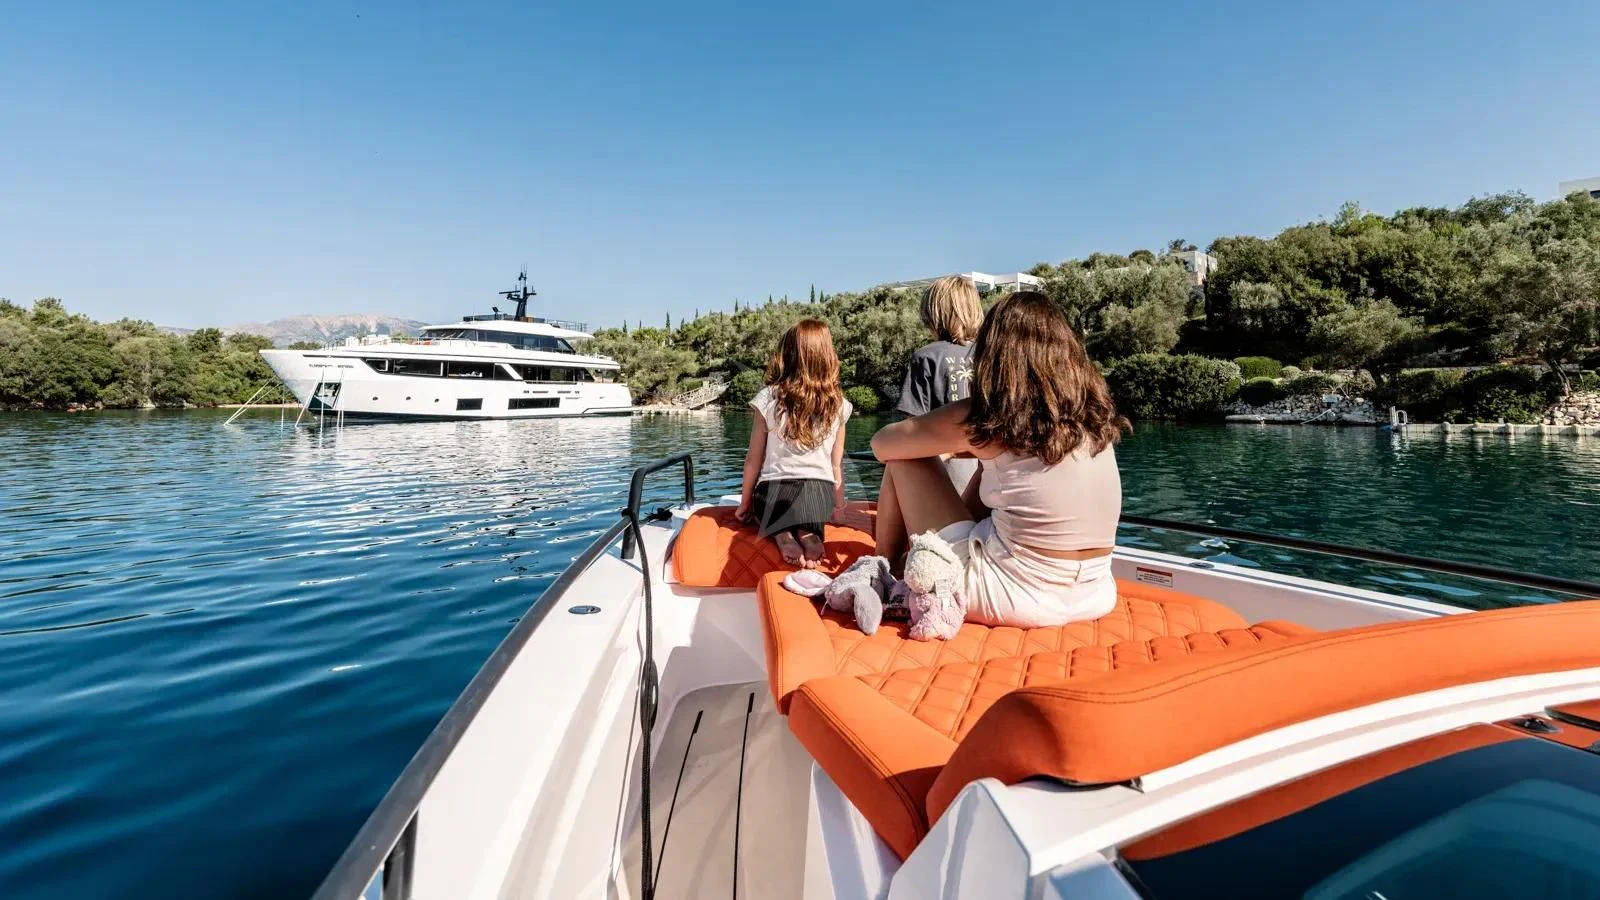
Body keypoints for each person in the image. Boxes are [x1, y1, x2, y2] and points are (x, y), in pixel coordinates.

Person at [869, 291, 1127, 628]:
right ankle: (900, 565)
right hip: (1096, 593)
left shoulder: (991, 416)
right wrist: (973, 451)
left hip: (1015, 596)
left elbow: (882, 444)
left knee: (906, 457)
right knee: (988, 468)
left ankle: (882, 572)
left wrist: (954, 443)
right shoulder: (1090, 416)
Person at [877, 274, 984, 561]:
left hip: (941, 483)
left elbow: (906, 437)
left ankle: (885, 561)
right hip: (985, 485)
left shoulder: (926, 358)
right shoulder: (991, 357)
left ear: (933, 315)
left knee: (897, 457)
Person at [737, 319, 854, 568]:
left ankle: (782, 534)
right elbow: (837, 465)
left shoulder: (769, 397)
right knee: (811, 515)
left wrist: (746, 503)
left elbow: (753, 460)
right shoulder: (839, 404)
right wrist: (839, 507)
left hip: (774, 493)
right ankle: (809, 533)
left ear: (787, 354)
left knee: (768, 508)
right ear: (828, 356)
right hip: (819, 495)